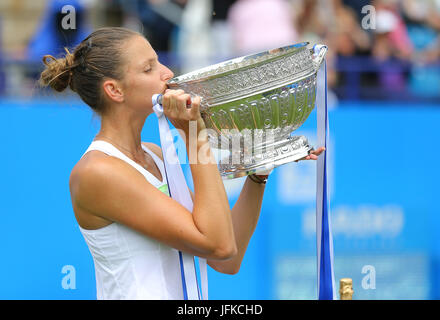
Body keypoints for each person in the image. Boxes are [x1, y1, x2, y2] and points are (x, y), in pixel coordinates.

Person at [39, 27, 324, 299]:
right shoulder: (98, 172)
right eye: (148, 68)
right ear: (115, 90)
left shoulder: (155, 155)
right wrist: (193, 136)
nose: (167, 72)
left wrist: (257, 171)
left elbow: (227, 259)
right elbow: (219, 244)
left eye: (159, 60)